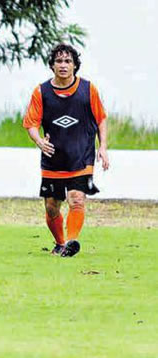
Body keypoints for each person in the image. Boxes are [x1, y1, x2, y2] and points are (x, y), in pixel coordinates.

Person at [23, 43, 109, 257]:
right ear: (52, 66)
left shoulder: (88, 89)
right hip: (53, 158)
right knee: (52, 207)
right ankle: (61, 244)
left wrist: (103, 147)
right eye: (59, 61)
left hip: (82, 157)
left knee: (77, 198)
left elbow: (101, 119)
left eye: (68, 61)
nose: (63, 65)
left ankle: (72, 241)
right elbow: (31, 123)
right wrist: (39, 141)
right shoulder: (41, 92)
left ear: (75, 66)